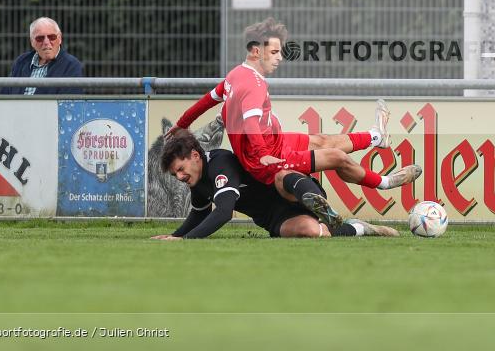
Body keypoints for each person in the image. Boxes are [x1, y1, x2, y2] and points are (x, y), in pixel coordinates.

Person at [170, 17, 420, 228]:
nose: (280, 58)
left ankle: (376, 136)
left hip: (275, 143)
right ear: (257, 51)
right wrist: (263, 154)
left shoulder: (236, 75)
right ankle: (386, 183)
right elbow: (250, 124)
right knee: (335, 157)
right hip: (268, 158)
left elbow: (207, 100)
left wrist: (181, 124)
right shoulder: (255, 85)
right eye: (275, 52)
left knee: (321, 140)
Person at [151, 129, 398, 240]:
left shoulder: (220, 163)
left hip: (291, 191)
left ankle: (315, 202)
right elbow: (198, 214)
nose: (180, 177)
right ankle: (360, 229)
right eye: (176, 175)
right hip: (274, 218)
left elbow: (224, 212)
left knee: (281, 176)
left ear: (195, 156)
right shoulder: (197, 182)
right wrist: (175, 235)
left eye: (180, 170)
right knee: (312, 232)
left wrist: (186, 240)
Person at [1, 17, 83, 95]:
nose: (46, 42)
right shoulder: (21, 61)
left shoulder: (71, 65)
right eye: (40, 38)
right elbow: (4, 95)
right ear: (32, 42)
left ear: (60, 38)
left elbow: (68, 104)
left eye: (52, 37)